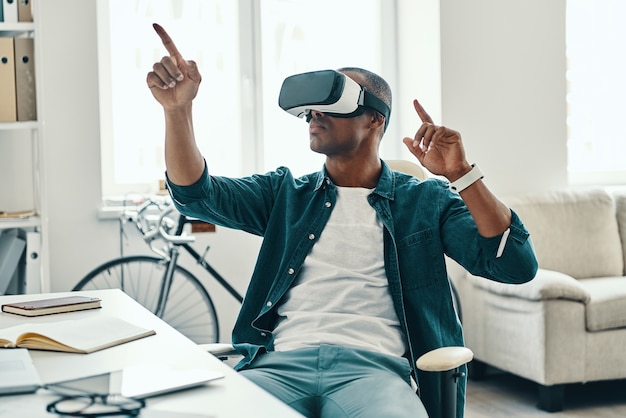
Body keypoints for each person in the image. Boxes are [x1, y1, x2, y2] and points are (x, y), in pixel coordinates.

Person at [146, 23, 538, 418]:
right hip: (279, 367)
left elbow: (515, 265)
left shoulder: (425, 201)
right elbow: (196, 196)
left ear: (374, 119)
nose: (315, 113)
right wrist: (177, 111)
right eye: (312, 108)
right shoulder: (285, 194)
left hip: (376, 373)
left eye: (332, 102)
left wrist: (462, 175)